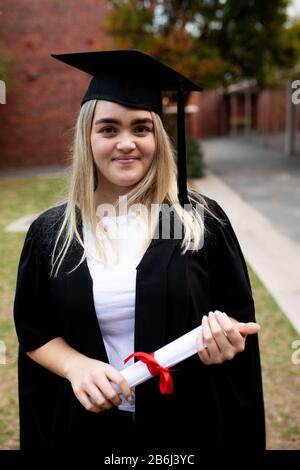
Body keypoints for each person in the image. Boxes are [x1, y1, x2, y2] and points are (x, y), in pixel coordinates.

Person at [13, 49, 265, 451]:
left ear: (158, 138)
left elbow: (237, 318)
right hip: (87, 428)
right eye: (109, 129)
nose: (126, 143)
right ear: (87, 137)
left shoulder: (196, 222)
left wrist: (227, 345)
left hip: (184, 429)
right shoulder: (54, 232)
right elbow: (34, 329)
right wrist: (76, 367)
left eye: (141, 128)